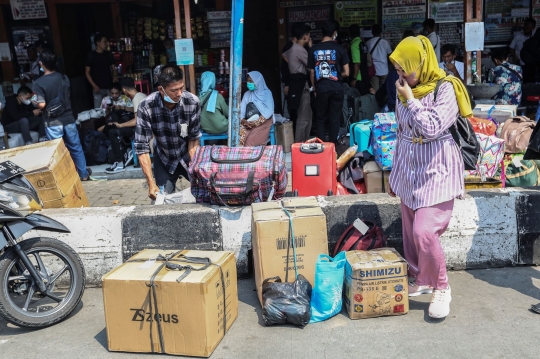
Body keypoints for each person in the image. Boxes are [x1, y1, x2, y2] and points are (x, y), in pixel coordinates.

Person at [388, 35, 473, 319]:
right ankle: (420, 280)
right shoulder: (404, 87)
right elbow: (401, 133)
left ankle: (441, 287)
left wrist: (411, 100)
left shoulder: (445, 88)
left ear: (421, 63)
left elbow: (433, 127)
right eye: (397, 70)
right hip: (410, 171)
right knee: (410, 236)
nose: (400, 76)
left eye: (405, 70)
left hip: (438, 170)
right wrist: (395, 174)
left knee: (424, 232)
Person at [134, 65, 200, 199]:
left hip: (186, 155)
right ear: (161, 90)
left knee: (202, 194)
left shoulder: (192, 102)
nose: (179, 93)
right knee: (160, 200)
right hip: (163, 158)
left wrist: (196, 171)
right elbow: (142, 148)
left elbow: (193, 140)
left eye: (181, 88)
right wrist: (151, 183)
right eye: (174, 90)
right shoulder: (146, 107)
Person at [33, 51, 91, 180]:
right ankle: (83, 174)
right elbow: (68, 97)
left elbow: (41, 105)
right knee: (75, 147)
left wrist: (33, 100)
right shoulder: (64, 78)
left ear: (41, 64)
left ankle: (64, 178)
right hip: (68, 118)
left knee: (57, 151)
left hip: (53, 122)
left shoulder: (38, 82)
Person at [308, 19, 350, 143]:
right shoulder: (340, 49)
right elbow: (347, 72)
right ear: (334, 33)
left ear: (322, 33)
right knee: (334, 119)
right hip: (337, 88)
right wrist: (336, 75)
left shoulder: (313, 49)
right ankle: (332, 147)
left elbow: (311, 73)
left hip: (321, 89)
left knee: (320, 119)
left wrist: (315, 88)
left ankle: (321, 147)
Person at [105, 77, 147, 174]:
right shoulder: (142, 95)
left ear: (123, 90)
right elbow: (135, 111)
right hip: (146, 127)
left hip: (141, 130)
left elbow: (136, 121)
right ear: (135, 85)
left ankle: (119, 162)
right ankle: (126, 152)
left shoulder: (136, 99)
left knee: (113, 132)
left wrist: (120, 125)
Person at [283, 24, 313, 142]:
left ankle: (304, 142)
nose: (310, 38)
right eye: (309, 35)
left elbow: (284, 55)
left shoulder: (292, 48)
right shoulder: (300, 50)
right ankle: (300, 144)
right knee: (303, 117)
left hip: (295, 83)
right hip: (301, 85)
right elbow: (311, 64)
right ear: (305, 37)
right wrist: (310, 48)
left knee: (306, 115)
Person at [239, 71, 274, 146]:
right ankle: (240, 157)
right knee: (241, 139)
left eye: (251, 81)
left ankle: (249, 157)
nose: (249, 83)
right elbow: (241, 112)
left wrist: (255, 124)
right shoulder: (247, 94)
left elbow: (268, 112)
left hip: (264, 121)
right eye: (248, 81)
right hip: (249, 122)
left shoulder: (266, 93)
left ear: (258, 81)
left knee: (250, 142)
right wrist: (244, 122)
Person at [85, 33, 117, 109]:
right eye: (104, 42)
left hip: (109, 87)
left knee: (111, 109)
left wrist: (115, 77)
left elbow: (113, 68)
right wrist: (94, 85)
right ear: (98, 43)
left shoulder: (108, 54)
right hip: (98, 88)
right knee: (98, 110)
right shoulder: (91, 55)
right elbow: (87, 72)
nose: (106, 44)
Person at [366, 24, 393, 91]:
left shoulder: (368, 43)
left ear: (372, 32)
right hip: (384, 70)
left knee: (375, 92)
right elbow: (390, 56)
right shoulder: (385, 42)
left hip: (373, 71)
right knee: (384, 91)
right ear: (381, 32)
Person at [349, 24, 371, 95]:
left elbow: (357, 63)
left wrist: (354, 79)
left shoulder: (354, 44)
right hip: (365, 74)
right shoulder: (362, 43)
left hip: (358, 77)